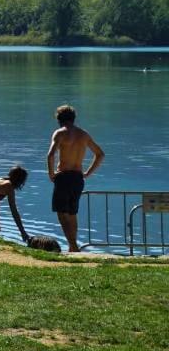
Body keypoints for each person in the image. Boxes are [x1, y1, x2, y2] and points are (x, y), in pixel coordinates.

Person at [47, 104, 104, 252]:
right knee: (72, 213)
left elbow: (51, 155)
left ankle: (73, 245)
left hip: (63, 176)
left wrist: (51, 174)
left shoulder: (59, 133)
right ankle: (73, 246)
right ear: (73, 118)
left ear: (59, 120)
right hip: (78, 178)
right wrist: (87, 173)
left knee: (61, 213)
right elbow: (100, 154)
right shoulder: (84, 134)